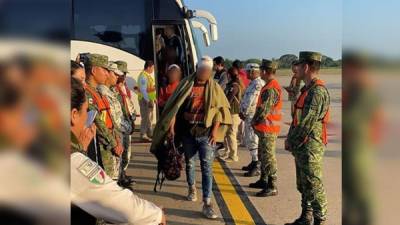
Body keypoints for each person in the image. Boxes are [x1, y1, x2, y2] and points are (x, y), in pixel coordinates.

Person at [70, 77, 166, 225]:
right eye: (85, 112)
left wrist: (80, 149)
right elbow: (124, 207)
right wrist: (156, 215)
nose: (87, 118)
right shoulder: (72, 161)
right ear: (73, 114)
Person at [150, 56, 232, 219]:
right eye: (202, 70)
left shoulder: (215, 88)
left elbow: (219, 111)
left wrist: (215, 131)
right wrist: (171, 127)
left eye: (207, 71)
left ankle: (207, 203)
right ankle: (192, 188)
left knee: (207, 168)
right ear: (197, 68)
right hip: (187, 132)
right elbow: (175, 107)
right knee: (189, 163)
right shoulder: (186, 84)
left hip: (206, 133)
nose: (204, 73)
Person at [284, 51, 330, 225]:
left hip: (310, 146)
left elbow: (306, 124)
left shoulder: (317, 92)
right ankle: (306, 217)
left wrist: (291, 141)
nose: (295, 68)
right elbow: (297, 119)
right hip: (302, 145)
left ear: (306, 67)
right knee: (303, 185)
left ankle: (320, 220)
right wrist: (291, 139)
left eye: (298, 65)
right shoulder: (306, 89)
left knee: (314, 185)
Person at [83, 53, 123, 176]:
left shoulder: (98, 92)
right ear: (94, 70)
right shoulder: (86, 94)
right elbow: (97, 122)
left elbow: (109, 118)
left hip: (110, 143)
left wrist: (117, 139)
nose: (107, 73)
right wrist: (114, 143)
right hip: (102, 146)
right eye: (105, 70)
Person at [250, 59, 282, 197]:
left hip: (269, 129)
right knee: (263, 155)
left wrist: (253, 121)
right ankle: (263, 180)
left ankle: (272, 185)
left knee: (268, 157)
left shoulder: (271, 88)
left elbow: (264, 110)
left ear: (264, 71)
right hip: (264, 129)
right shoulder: (267, 86)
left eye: (261, 70)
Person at [97, 62, 132, 181]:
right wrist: (127, 129)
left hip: (117, 137)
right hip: (112, 140)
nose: (119, 77)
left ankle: (121, 179)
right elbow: (111, 120)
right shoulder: (102, 92)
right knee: (110, 178)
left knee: (116, 172)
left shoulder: (111, 91)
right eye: (115, 74)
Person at [239, 63, 265, 177]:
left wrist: (243, 112)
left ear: (253, 71)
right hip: (249, 116)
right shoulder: (253, 83)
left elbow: (250, 100)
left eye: (248, 72)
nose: (246, 74)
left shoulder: (257, 84)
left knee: (253, 140)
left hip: (252, 116)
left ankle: (257, 165)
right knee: (249, 139)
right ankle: (254, 161)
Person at [115, 60, 137, 187]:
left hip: (127, 124)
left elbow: (128, 104)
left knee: (126, 153)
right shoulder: (115, 89)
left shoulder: (123, 87)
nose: (123, 76)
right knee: (122, 153)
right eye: (121, 73)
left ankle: (122, 173)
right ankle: (120, 177)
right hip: (121, 126)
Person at [219, 67, 243, 162]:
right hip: (230, 113)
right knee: (226, 134)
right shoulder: (232, 85)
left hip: (234, 113)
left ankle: (233, 156)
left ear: (229, 75)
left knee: (231, 134)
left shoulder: (234, 86)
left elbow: (229, 99)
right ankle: (227, 151)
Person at [138, 60, 156, 142]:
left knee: (149, 117)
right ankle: (143, 134)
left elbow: (150, 89)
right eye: (152, 67)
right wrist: (148, 100)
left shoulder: (147, 76)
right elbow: (143, 90)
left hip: (149, 99)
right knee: (145, 117)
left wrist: (154, 98)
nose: (153, 69)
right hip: (145, 100)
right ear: (148, 67)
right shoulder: (143, 76)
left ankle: (149, 132)